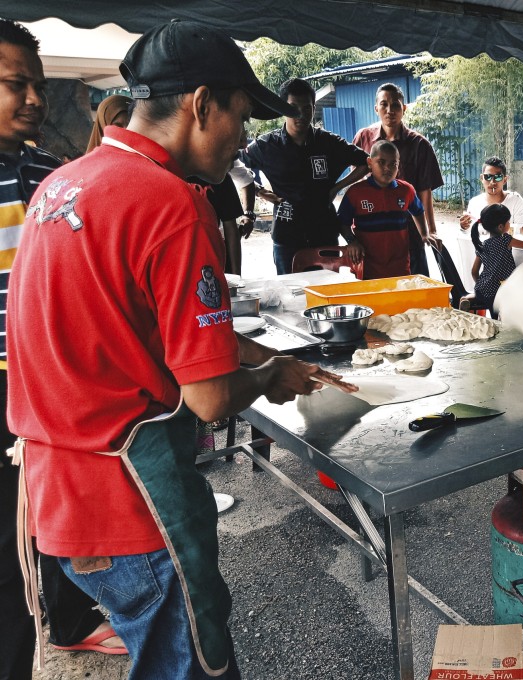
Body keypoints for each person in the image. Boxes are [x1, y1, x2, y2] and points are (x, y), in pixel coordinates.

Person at [7, 20, 355, 680]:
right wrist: (270, 377)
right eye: (242, 116)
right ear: (201, 104)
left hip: (54, 497)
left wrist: (258, 353)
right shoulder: (168, 202)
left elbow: (137, 331)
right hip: (132, 505)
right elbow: (211, 397)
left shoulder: (63, 186)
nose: (245, 138)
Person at [0, 20, 127, 679]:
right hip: (5, 383)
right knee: (7, 551)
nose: (33, 99)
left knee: (63, 518)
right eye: (14, 84)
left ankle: (71, 621)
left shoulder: (56, 176)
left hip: (55, 379)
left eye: (37, 85)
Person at [239, 77, 369, 274]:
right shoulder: (267, 146)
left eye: (306, 108)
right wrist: (259, 191)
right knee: (291, 298)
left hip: (324, 234)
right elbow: (233, 164)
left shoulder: (328, 142)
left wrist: (336, 187)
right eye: (292, 107)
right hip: (287, 238)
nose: (300, 114)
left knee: (326, 295)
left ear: (314, 107)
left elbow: (365, 162)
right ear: (283, 109)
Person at [353, 83, 467, 305]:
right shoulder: (363, 139)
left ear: (404, 109)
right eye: (384, 104)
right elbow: (356, 183)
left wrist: (431, 231)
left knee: (415, 288)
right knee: (375, 293)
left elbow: (424, 190)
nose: (390, 110)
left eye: (395, 105)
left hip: (408, 229)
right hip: (372, 229)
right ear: (376, 107)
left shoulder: (419, 144)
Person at [336, 140, 427, 279]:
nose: (387, 168)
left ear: (398, 166)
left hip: (400, 267)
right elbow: (342, 223)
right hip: (367, 268)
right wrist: (352, 242)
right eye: (381, 162)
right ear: (370, 163)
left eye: (393, 164)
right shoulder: (355, 193)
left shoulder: (406, 190)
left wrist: (425, 234)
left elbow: (418, 211)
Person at [469, 203, 523, 317]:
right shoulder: (505, 240)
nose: (510, 224)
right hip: (497, 293)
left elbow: (474, 272)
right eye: (508, 222)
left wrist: (483, 285)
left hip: (481, 291)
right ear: (500, 227)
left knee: (495, 313)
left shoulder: (483, 245)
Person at [458, 156, 523, 232]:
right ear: (482, 178)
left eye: (498, 177)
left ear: (505, 180)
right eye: (488, 177)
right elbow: (470, 233)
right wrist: (464, 227)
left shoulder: (515, 200)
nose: (492, 182)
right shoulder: (475, 203)